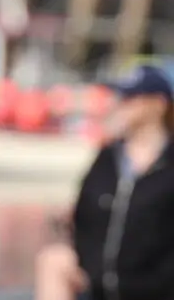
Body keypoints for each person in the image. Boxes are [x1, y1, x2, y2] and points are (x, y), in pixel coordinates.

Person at [33, 63, 174, 300]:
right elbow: (83, 213)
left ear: (158, 104)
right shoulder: (108, 158)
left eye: (130, 98)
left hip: (155, 291)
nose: (120, 104)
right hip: (100, 288)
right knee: (53, 260)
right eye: (120, 97)